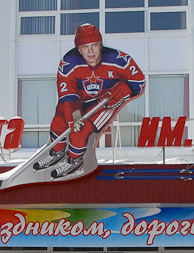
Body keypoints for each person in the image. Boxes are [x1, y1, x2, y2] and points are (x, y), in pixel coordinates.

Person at [33, 23, 146, 178]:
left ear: (100, 45)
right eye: (85, 47)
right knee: (59, 122)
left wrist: (121, 92)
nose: (91, 51)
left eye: (94, 45)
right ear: (79, 49)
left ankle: (75, 160)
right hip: (78, 101)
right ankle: (57, 152)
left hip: (105, 102)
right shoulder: (69, 62)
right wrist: (74, 113)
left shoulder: (119, 60)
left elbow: (138, 82)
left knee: (81, 131)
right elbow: (67, 93)